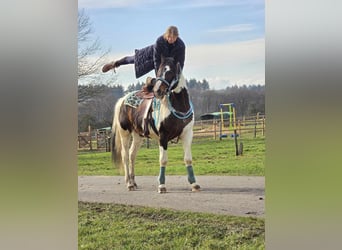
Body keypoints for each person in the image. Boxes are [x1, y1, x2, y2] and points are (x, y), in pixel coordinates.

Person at [102, 26, 185, 78]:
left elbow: (180, 62)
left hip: (167, 60)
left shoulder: (181, 46)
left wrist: (177, 75)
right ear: (166, 35)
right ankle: (115, 64)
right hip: (151, 54)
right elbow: (156, 61)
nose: (171, 39)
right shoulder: (160, 41)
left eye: (173, 37)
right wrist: (159, 76)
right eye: (169, 37)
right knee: (132, 60)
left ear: (177, 37)